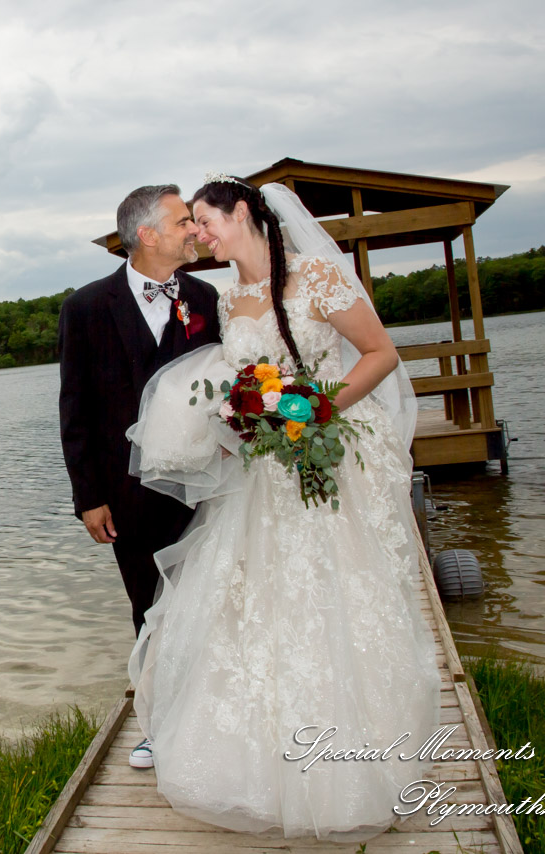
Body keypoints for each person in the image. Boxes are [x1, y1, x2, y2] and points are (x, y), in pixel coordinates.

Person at [123, 175, 440, 840]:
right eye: (195, 228)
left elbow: (380, 355)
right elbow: (238, 381)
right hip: (264, 476)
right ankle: (254, 768)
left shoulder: (318, 276)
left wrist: (318, 408)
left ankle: (352, 764)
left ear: (243, 213)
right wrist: (236, 417)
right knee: (252, 603)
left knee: (333, 595)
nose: (200, 236)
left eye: (207, 222)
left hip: (323, 459)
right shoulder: (228, 296)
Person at [58, 184, 222, 768]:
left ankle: (210, 715)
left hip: (205, 483)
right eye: (183, 221)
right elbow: (74, 409)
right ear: (147, 234)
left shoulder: (206, 297)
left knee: (210, 599)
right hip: (126, 493)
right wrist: (88, 499)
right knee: (148, 605)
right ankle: (156, 721)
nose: (194, 231)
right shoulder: (85, 308)